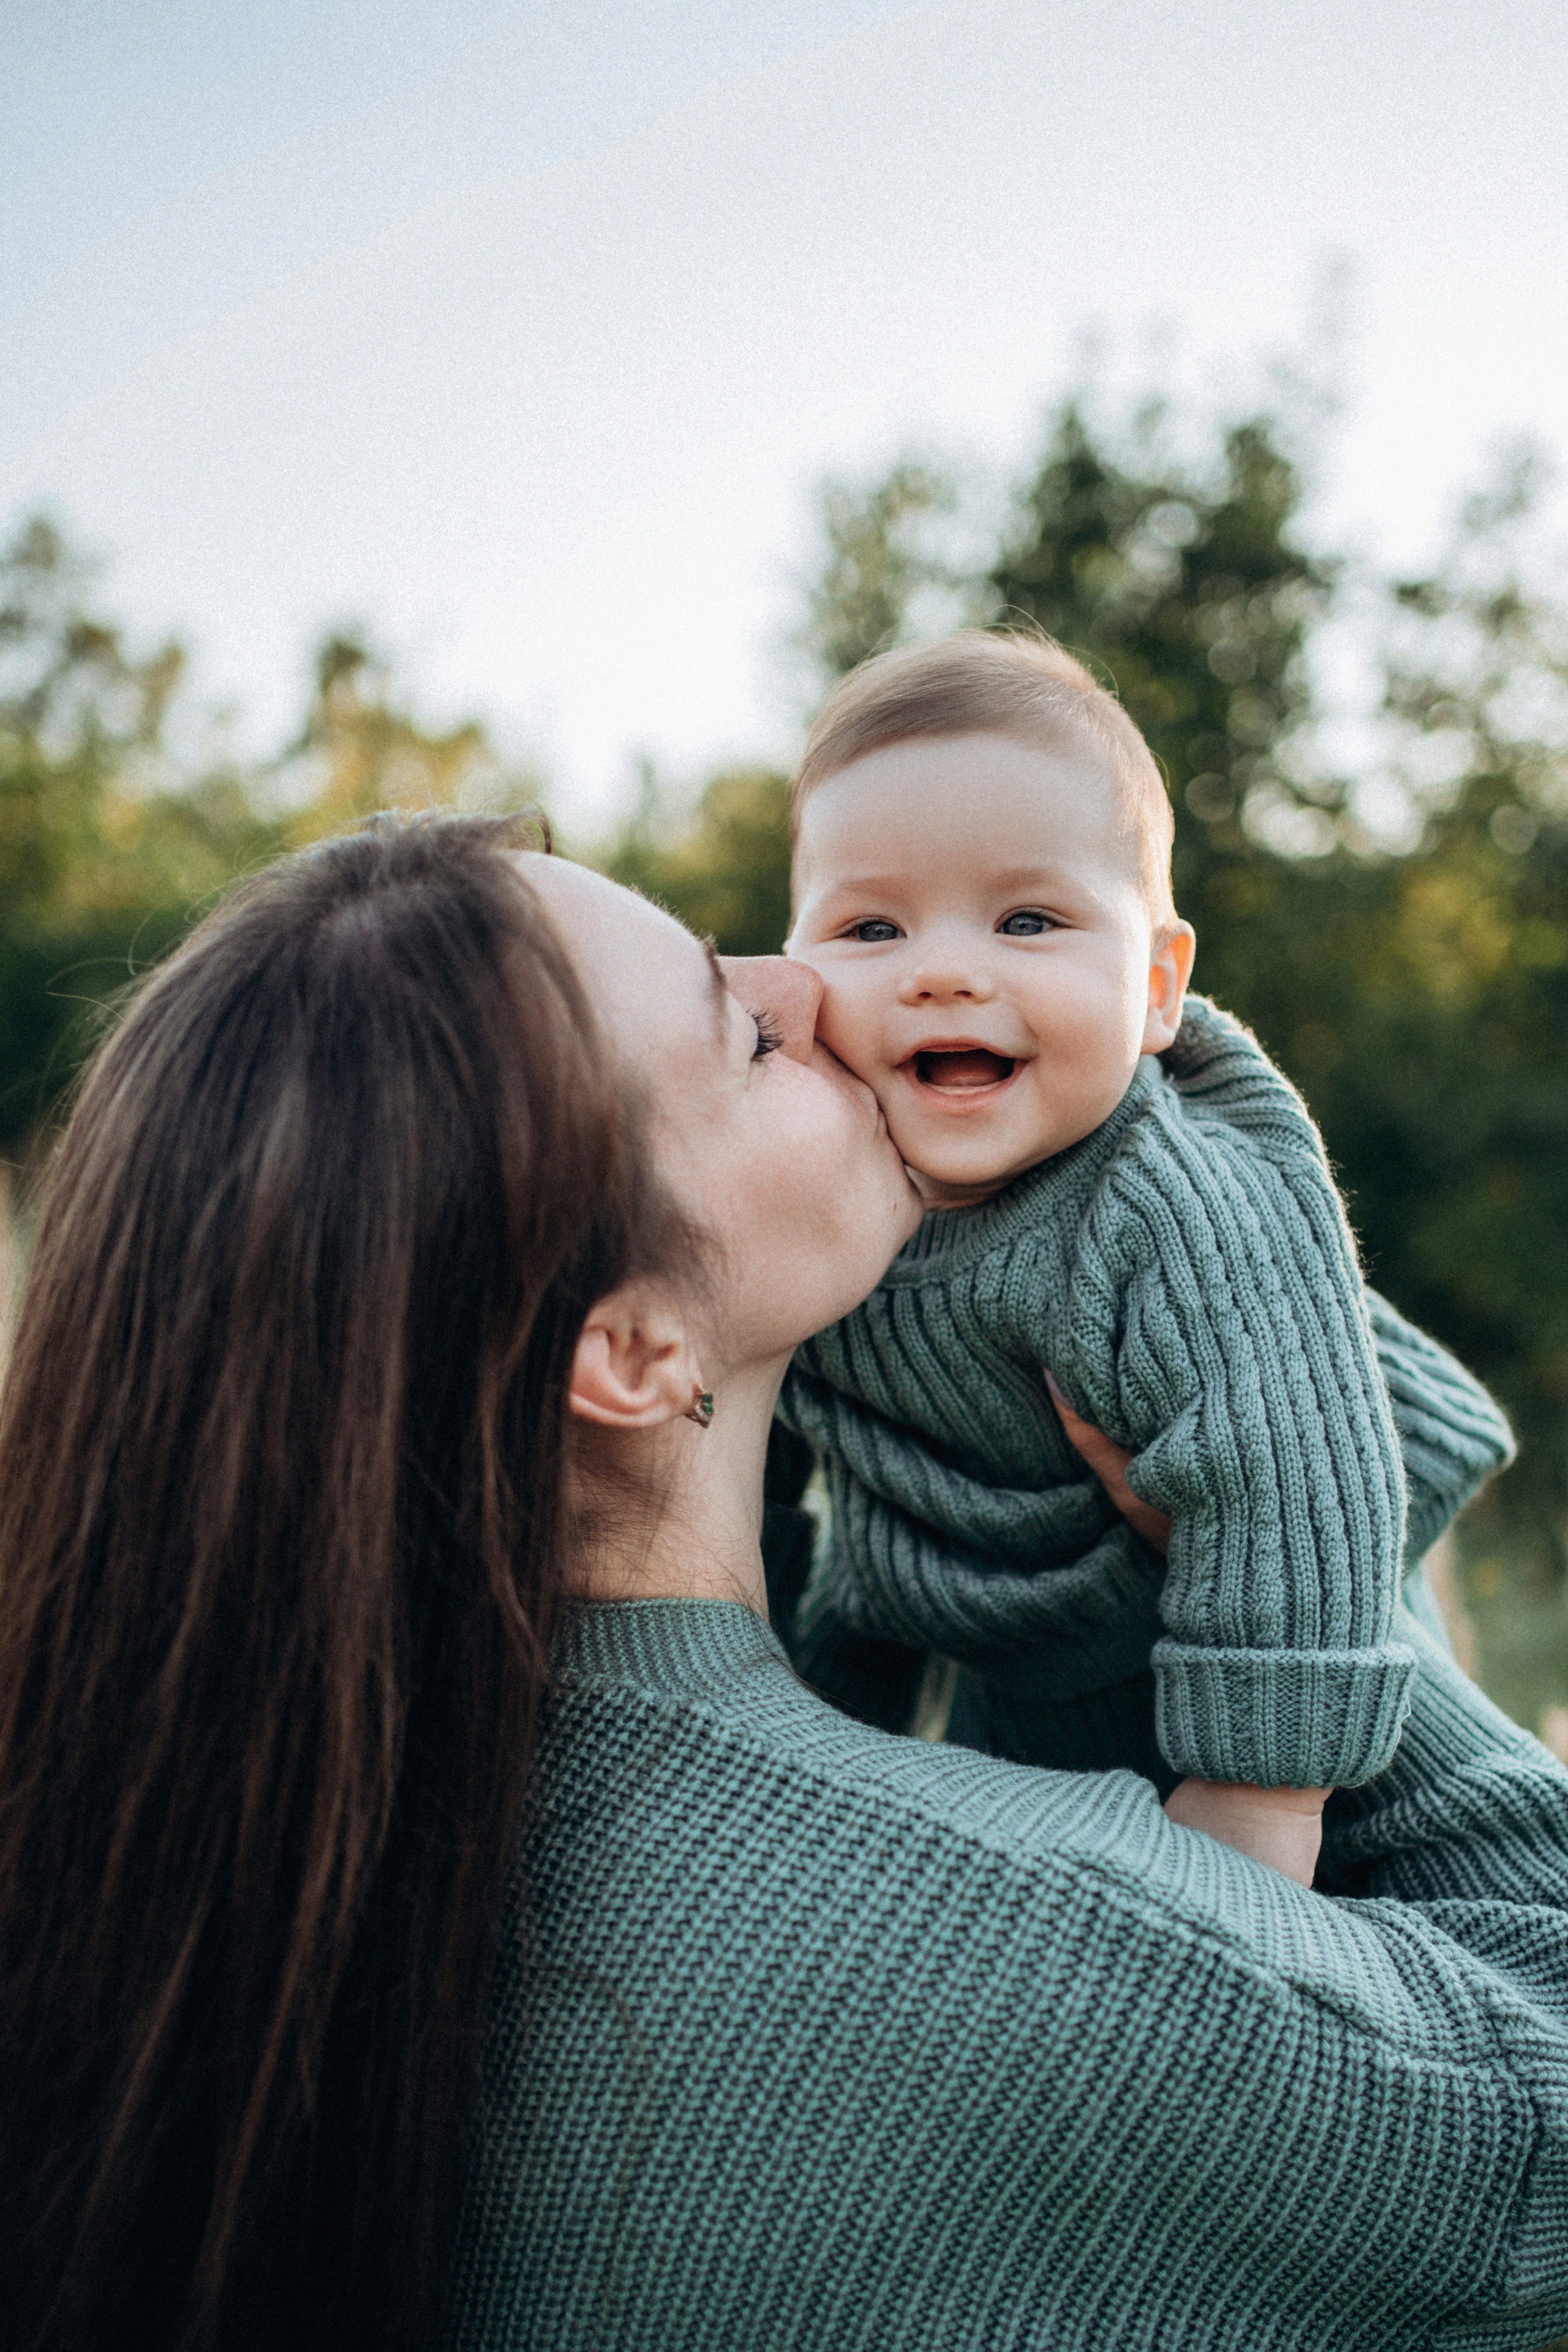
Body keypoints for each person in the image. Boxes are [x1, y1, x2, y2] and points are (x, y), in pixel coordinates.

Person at [1, 818, 1564, 2352]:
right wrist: (1288, 1529)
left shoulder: (189, 1884)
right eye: (739, 1035)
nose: (812, 987)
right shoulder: (1033, 1942)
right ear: (624, 1349)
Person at [778, 629, 1514, 1883]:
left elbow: (1284, 1481)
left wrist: (1255, 1806)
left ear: (1158, 985)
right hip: (1017, 1696)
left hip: (1300, 1679)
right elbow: (840, 1509)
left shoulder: (1173, 1197)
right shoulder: (813, 1183)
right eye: (868, 928)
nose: (943, 972)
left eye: (1025, 918)